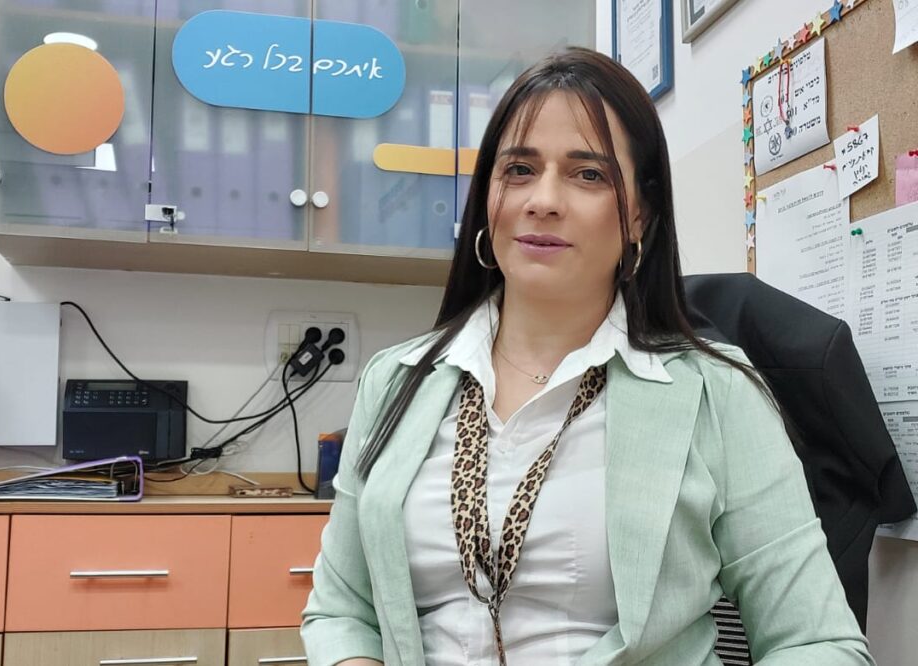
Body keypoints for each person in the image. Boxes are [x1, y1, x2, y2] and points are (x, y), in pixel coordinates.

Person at [301, 47, 874, 666]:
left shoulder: (717, 394)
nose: (543, 199)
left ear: (639, 215)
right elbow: (343, 609)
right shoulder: (397, 381)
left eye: (588, 175)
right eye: (520, 169)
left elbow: (818, 642)